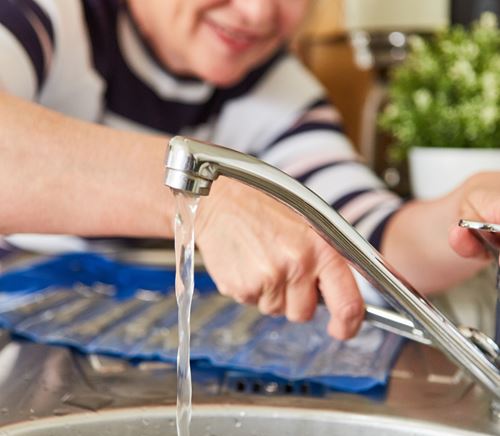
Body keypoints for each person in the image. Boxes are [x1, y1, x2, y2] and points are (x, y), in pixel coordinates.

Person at [0, 0, 490, 340]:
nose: (256, 13)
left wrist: (468, 213)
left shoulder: (275, 90)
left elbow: (365, 244)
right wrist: (203, 202)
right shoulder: (46, 19)